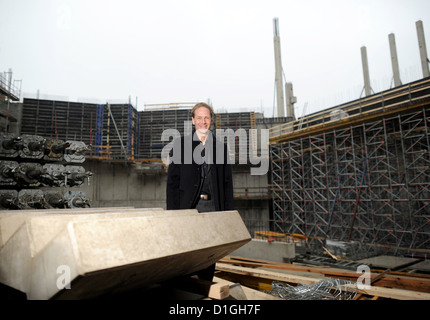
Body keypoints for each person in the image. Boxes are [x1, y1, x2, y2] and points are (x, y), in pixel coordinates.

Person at [166, 102, 234, 281]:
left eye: (207, 117)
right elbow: (172, 184)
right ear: (193, 121)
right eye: (199, 118)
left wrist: (228, 215)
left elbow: (227, 184)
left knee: (208, 255)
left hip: (213, 209)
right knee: (186, 252)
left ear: (211, 120)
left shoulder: (220, 148)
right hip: (189, 209)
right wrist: (172, 215)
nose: (203, 121)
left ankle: (205, 287)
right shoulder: (181, 145)